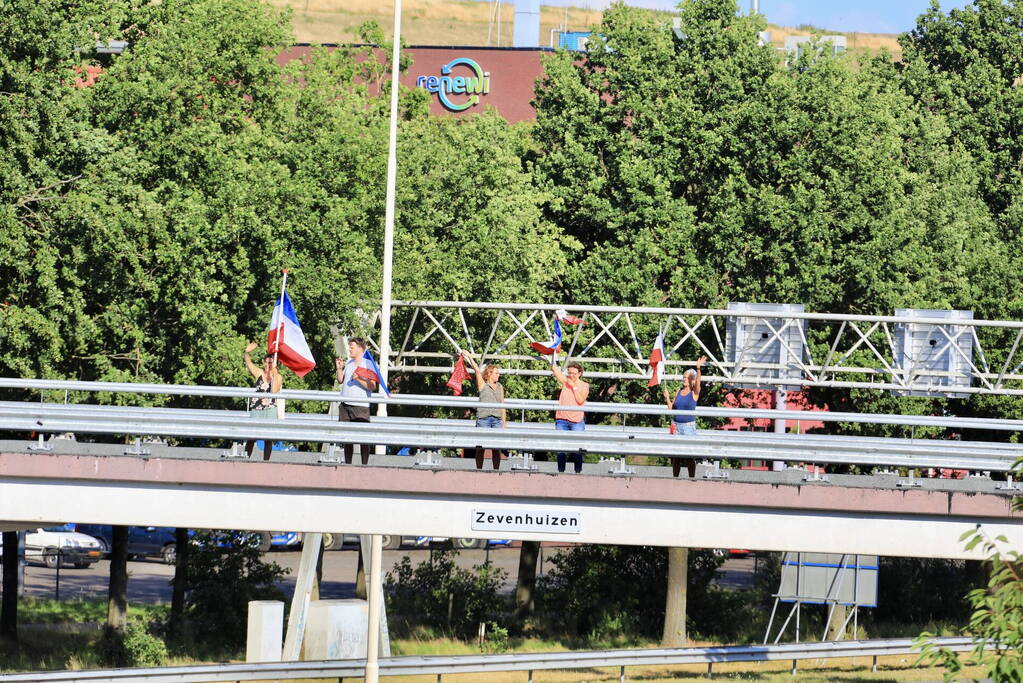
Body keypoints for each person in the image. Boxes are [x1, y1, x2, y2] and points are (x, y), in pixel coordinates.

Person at [335, 337, 378, 465]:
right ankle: (348, 464)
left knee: (363, 438)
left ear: (360, 348)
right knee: (347, 439)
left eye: (352, 347)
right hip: (345, 404)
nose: (350, 350)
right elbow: (340, 380)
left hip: (361, 406)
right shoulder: (348, 363)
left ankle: (364, 465)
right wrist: (339, 369)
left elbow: (373, 386)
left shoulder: (368, 364)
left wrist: (359, 379)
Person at [461, 351, 506, 470]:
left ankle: (496, 470)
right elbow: (476, 370)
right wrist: (469, 357)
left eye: (498, 373)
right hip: (483, 419)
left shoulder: (500, 386)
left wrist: (504, 422)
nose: (498, 375)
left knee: (496, 448)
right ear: (489, 374)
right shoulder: (482, 384)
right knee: (480, 447)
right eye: (496, 373)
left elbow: (502, 404)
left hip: (496, 419)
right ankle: (479, 470)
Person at [662, 355, 706, 478]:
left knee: (688, 456)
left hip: (688, 428)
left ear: (692, 379)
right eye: (684, 377)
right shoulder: (678, 391)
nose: (684, 379)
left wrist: (698, 369)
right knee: (675, 457)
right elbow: (672, 409)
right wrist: (666, 398)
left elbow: (698, 384)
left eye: (687, 377)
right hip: (676, 426)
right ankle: (675, 479)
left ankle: (691, 479)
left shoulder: (694, 393)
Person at [243, 341, 282, 461]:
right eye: (266, 362)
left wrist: (274, 375)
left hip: (270, 409)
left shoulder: (278, 376)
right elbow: (249, 363)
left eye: (270, 363)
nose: (268, 365)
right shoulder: (259, 373)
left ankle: (266, 463)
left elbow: (274, 391)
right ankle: (245, 459)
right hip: (257, 409)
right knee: (251, 438)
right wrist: (247, 352)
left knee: (268, 439)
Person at [551, 361, 589, 473]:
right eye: (569, 373)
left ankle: (577, 471)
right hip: (562, 420)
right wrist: (553, 365)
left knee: (578, 448)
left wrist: (574, 387)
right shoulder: (565, 382)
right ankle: (561, 471)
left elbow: (580, 400)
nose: (571, 375)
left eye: (573, 373)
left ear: (579, 373)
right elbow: (557, 373)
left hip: (577, 421)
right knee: (560, 448)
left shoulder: (584, 385)